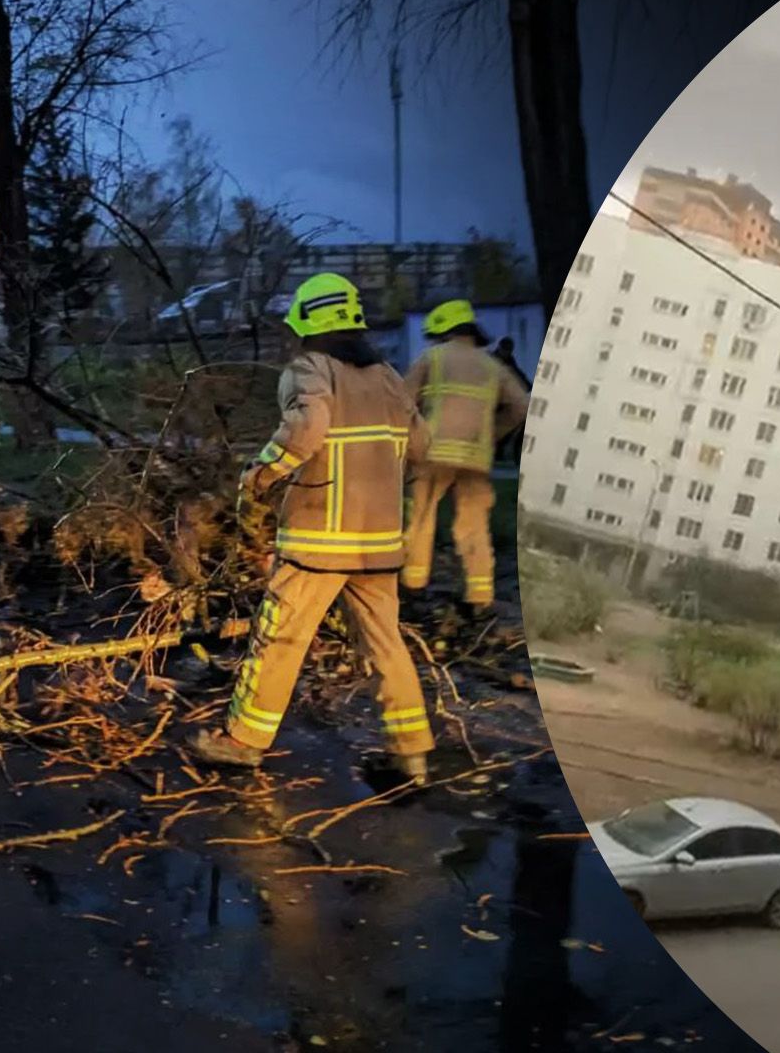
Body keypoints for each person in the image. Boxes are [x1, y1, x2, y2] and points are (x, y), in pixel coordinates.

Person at [186, 272, 435, 784]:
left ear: (308, 323)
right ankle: (411, 754)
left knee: (279, 638)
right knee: (385, 644)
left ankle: (243, 742)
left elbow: (308, 424)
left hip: (317, 542)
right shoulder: (389, 377)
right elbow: (421, 449)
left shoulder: (310, 368)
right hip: (380, 546)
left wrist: (261, 474)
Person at [401, 300, 530, 612]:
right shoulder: (493, 367)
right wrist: (494, 433)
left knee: (420, 518)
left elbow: (401, 403)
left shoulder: (430, 359)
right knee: (473, 525)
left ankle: (414, 588)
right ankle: (479, 596)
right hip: (475, 459)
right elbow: (523, 406)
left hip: (432, 455)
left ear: (443, 332)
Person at [490, 336, 532, 465]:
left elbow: (518, 374)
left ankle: (500, 449)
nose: (507, 353)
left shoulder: (509, 361)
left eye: (509, 351)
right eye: (505, 350)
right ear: (500, 348)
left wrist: (528, 385)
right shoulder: (492, 360)